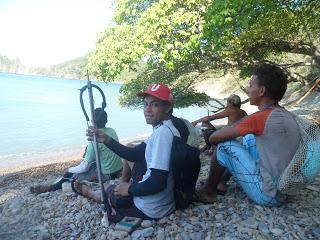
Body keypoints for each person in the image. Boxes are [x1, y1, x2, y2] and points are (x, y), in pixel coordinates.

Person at [73, 83, 183, 222]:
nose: (147, 109)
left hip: (150, 209)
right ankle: (112, 190)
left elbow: (157, 182)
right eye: (145, 104)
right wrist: (107, 140)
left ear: (168, 107)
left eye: (155, 105)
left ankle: (93, 194)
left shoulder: (163, 135)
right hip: (164, 203)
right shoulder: (166, 128)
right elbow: (134, 154)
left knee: (111, 190)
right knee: (118, 187)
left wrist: (130, 189)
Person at [195, 64, 301, 206]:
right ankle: (221, 181)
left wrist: (225, 131)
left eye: (251, 85)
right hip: (286, 190)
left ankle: (208, 191)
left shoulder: (260, 117)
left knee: (224, 146)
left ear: (262, 91)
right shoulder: (287, 115)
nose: (248, 89)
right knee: (248, 138)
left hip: (268, 194)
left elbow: (214, 138)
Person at [30, 108, 123, 194]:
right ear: (106, 120)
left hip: (108, 174)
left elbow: (84, 168)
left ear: (92, 121)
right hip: (118, 168)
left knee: (72, 175)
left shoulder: (94, 141)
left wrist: (70, 169)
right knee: (88, 163)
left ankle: (51, 188)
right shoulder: (111, 130)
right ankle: (56, 183)